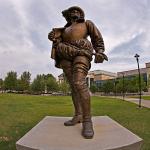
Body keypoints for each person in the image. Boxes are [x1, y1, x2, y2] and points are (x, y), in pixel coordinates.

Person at [48, 6, 107, 139]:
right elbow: (57, 41)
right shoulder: (64, 29)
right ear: (68, 15)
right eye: (72, 12)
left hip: (82, 54)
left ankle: (87, 120)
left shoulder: (87, 24)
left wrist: (100, 52)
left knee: (79, 82)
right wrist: (52, 36)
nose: (75, 13)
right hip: (65, 56)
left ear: (81, 14)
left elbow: (97, 38)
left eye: (77, 11)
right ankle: (78, 115)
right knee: (74, 88)